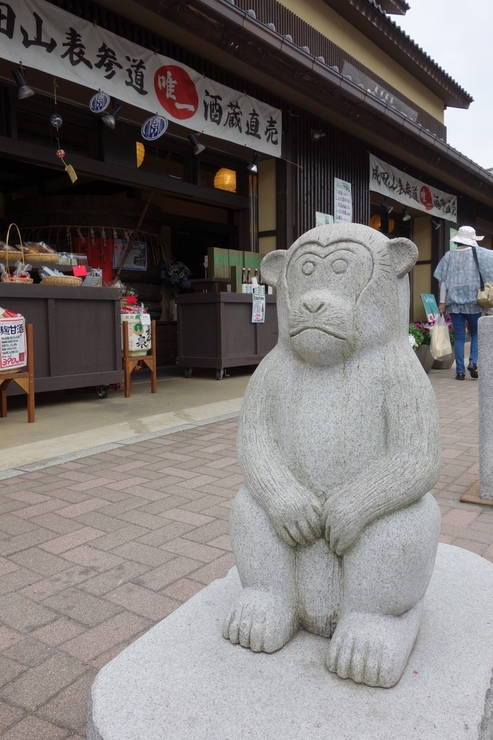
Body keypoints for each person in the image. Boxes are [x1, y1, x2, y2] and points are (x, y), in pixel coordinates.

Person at [434, 225, 493, 380]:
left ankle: (459, 371)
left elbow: (443, 282)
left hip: (453, 303)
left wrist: (442, 302)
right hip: (474, 302)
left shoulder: (448, 256)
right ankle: (473, 362)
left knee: (459, 336)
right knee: (475, 333)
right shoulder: (480, 254)